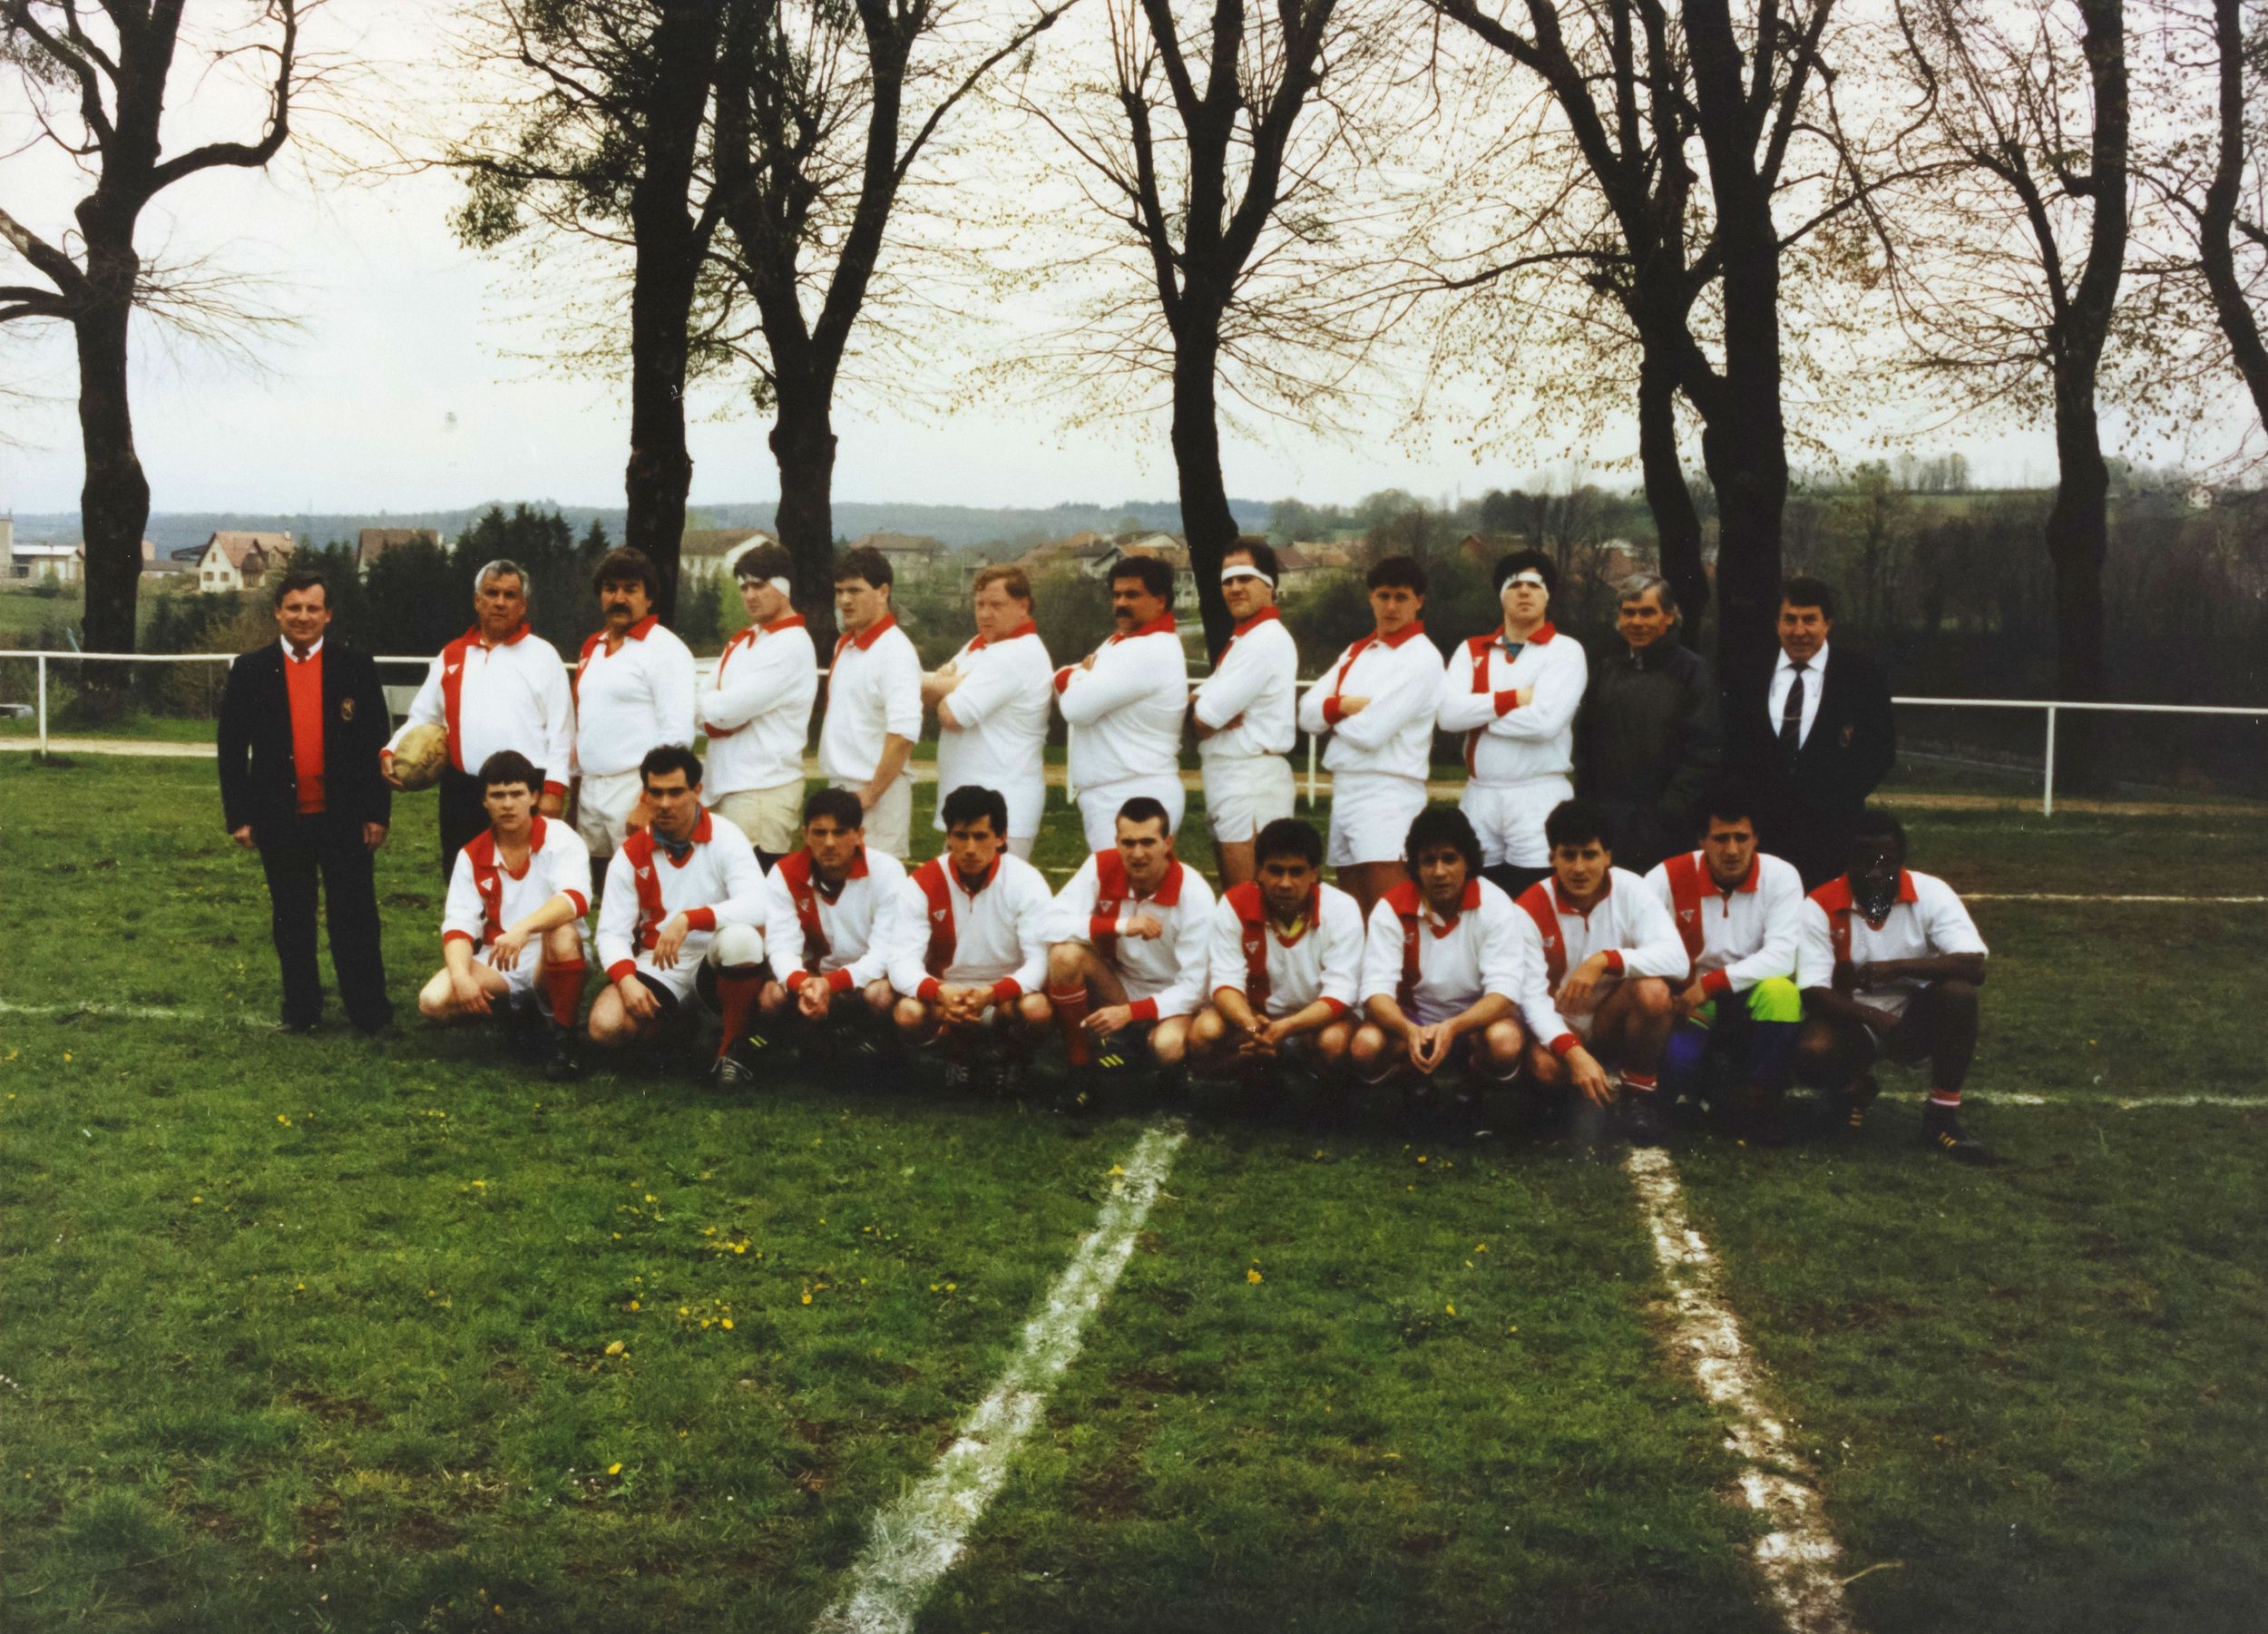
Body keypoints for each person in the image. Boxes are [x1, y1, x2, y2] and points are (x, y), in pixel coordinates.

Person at [217, 568, 395, 1035]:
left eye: (312, 608)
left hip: (345, 818)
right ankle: (302, 1009)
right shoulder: (251, 670)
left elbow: (379, 744)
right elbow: (231, 749)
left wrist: (378, 813)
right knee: (292, 919)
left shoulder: (355, 667)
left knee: (354, 917)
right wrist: (239, 815)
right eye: (293, 607)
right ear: (277, 612)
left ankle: (368, 1011)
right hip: (280, 818)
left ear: (328, 614)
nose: (302, 616)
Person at [1794, 807, 1993, 1162]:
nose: (1875, 873)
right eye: (1864, 862)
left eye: (1886, 863)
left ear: (1901, 859)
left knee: (1959, 995)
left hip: (1915, 1016)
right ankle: (1853, 1087)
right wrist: (1874, 1017)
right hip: (1853, 1020)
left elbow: (1974, 965)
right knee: (1812, 1050)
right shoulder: (1819, 904)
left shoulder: (1932, 893)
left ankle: (1941, 1117)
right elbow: (1813, 989)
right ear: (1846, 860)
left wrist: (1897, 968)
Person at [385, 557, 575, 883]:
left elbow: (562, 731)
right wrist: (391, 750)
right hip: (463, 791)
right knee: (464, 884)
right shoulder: (453, 654)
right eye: (491, 593)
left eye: (510, 595)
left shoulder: (543, 656)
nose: (500, 602)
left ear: (523, 605)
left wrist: (553, 792)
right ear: (477, 600)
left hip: (523, 792)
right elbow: (422, 716)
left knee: (523, 887)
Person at [1510, 798, 1688, 1145]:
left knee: (1653, 991)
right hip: (1562, 1021)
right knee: (1546, 1069)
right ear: (1552, 858)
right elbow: (1530, 998)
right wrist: (1573, 1052)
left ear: (1608, 856)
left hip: (1610, 1017)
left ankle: (1639, 1096)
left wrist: (1604, 960)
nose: (1579, 867)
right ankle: (1565, 1103)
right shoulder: (1528, 908)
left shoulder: (1632, 888)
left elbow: (1677, 961)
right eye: (1568, 855)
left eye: (1589, 855)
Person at [588, 746, 769, 1085]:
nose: (665, 803)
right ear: (645, 795)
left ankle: (730, 1051)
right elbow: (611, 932)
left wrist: (690, 918)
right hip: (659, 962)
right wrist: (626, 981)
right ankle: (679, 1028)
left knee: (742, 939)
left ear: (697, 792)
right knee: (605, 1026)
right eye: (656, 793)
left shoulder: (726, 836)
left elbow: (760, 904)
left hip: (716, 957)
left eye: (676, 792)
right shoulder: (630, 853)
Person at [1642, 779, 1804, 1142]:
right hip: (1689, 1003)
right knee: (1677, 1069)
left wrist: (1713, 984)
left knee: (1782, 992)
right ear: (1702, 840)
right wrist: (1675, 993)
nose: (1732, 850)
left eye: (1741, 837)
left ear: (1756, 838)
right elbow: (1637, 944)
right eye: (1720, 838)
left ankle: (1759, 1097)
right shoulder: (1666, 877)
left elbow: (1782, 955)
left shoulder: (1781, 876)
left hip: (1746, 996)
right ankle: (1697, 1089)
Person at [417, 750, 592, 1081]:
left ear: (535, 797)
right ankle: (517, 1018)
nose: (508, 804)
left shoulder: (560, 837)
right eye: (497, 795)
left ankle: (566, 1039)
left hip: (550, 952)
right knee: (433, 1001)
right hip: (502, 958)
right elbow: (458, 925)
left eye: (517, 794)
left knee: (563, 933)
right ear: (484, 801)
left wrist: (524, 928)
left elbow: (576, 899)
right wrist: (462, 978)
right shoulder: (472, 854)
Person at [1350, 805, 1530, 1127]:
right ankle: (1415, 1087)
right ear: (1415, 866)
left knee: (1505, 1042)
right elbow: (1375, 992)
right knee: (1365, 1047)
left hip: (1474, 1024)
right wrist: (1409, 1031)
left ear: (1468, 862)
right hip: (1413, 1023)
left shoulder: (1496, 905)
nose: (1439, 871)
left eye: (1449, 858)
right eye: (1428, 860)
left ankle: (1471, 1087)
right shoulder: (1391, 908)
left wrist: (1453, 1027)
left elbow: (1505, 993)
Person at [1297, 555, 1445, 918]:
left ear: (1419, 601)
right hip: (1346, 791)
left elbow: (1371, 732)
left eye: (1401, 597)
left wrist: (1332, 712)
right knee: (1352, 912)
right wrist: (1343, 705)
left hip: (1388, 794)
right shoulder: (1356, 651)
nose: (1391, 606)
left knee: (1389, 914)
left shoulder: (1422, 658)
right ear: (1371, 598)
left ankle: (1398, 978)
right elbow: (1305, 712)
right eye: (1383, 596)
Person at [1438, 549, 1589, 901]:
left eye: (1534, 585)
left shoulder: (1565, 651)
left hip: (1537, 796)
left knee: (1535, 898)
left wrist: (1477, 714)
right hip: (1480, 796)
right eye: (1515, 584)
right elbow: (1447, 716)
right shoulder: (1471, 649)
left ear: (1547, 595)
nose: (1524, 592)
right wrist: (1513, 699)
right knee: (1478, 899)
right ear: (1500, 594)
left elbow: (1545, 723)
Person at [884, 784, 1056, 1091]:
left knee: (1038, 1010)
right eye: (961, 836)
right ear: (948, 837)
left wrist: (994, 993)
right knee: (907, 1014)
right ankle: (958, 1056)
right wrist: (941, 993)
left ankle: (1010, 1057)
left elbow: (1041, 961)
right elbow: (900, 962)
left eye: (981, 836)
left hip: (1006, 998)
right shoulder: (923, 882)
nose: (970, 848)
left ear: (1001, 838)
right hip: (947, 996)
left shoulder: (1026, 881)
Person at [1727, 577, 1896, 889]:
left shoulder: (1860, 675)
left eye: (1810, 620)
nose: (1799, 631)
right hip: (1762, 832)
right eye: (1790, 619)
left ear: (1827, 623)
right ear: (1776, 623)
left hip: (1832, 832)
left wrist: (1838, 797)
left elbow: (1881, 749)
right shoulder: (1747, 673)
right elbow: (1732, 747)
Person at [1046, 796, 1217, 1101]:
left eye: (1148, 842)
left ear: (1168, 842)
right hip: (1120, 985)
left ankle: (1153, 1063)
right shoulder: (1101, 865)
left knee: (1168, 1047)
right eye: (1128, 842)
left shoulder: (1194, 893)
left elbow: (1194, 987)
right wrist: (1118, 925)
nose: (1137, 853)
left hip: (1174, 997)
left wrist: (1130, 1013)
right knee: (1064, 955)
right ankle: (1079, 1066)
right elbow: (1046, 924)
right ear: (1117, 841)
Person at [1187, 817, 1363, 1101]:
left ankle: (1323, 1093)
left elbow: (1341, 993)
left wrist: (1285, 1029)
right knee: (1204, 1033)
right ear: (1259, 872)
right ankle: (1262, 1076)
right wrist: (1254, 1028)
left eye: (1296, 872)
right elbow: (1224, 983)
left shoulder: (1341, 908)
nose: (1285, 883)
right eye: (1275, 871)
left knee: (1334, 1042)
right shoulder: (1234, 904)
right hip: (1257, 1020)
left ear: (1314, 874)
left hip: (1314, 1022)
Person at [571, 546, 697, 898]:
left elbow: (678, 736)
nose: (619, 598)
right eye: (611, 589)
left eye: (631, 589)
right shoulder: (592, 647)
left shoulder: (665, 649)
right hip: (592, 792)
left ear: (649, 596)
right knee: (596, 891)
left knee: (644, 892)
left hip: (634, 788)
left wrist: (648, 800)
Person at [1576, 572, 1719, 875]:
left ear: (1669, 617)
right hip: (1609, 825)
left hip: (1667, 830)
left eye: (1647, 613)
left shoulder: (1693, 672)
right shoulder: (1606, 671)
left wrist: (1669, 812)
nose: (1637, 622)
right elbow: (1585, 744)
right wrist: (1590, 808)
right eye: (1629, 613)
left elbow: (1704, 751)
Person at [1054, 553, 1189, 853]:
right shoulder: (1122, 641)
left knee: (1123, 893)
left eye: (1132, 595)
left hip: (1132, 793)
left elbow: (1075, 708)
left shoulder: (1147, 649)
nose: (1120, 603)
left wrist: (1075, 676)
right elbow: (1062, 683)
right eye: (1116, 595)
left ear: (1161, 600)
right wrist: (1078, 677)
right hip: (1118, 791)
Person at [756, 788, 905, 1052]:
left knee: (881, 995)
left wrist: (832, 985)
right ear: (805, 834)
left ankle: (881, 1046)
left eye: (840, 832)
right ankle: (794, 1047)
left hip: (867, 982)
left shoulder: (887, 870)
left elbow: (886, 953)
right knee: (770, 996)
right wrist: (804, 985)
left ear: (859, 835)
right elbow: (780, 946)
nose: (829, 843)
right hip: (813, 982)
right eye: (819, 832)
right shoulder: (784, 872)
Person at [699, 543, 819, 869]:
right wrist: (715, 710)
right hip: (728, 787)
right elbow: (705, 700)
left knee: (755, 900)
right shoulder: (745, 639)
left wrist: (715, 709)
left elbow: (724, 710)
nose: (750, 595)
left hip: (763, 791)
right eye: (744, 587)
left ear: (783, 587)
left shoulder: (791, 644)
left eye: (760, 585)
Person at [924, 564, 1054, 859]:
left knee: (993, 901)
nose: (984, 614)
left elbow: (951, 716)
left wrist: (948, 685)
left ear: (1023, 606)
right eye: (980, 604)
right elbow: (929, 693)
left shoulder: (1017, 652)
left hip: (1004, 807)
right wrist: (958, 685)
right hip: (965, 804)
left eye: (996, 605)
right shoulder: (979, 645)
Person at [1190, 541, 1299, 886]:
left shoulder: (1265, 639)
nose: (1234, 588)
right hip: (1229, 777)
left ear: (1269, 584)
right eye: (1227, 580)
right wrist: (1203, 703)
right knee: (1237, 905)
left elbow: (1204, 717)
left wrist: (1203, 705)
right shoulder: (1244, 639)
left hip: (1252, 781)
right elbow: (1204, 708)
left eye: (1245, 578)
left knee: (1249, 901)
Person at [820, 545, 924, 858]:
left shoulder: (895, 652)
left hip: (875, 797)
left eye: (855, 590)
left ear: (883, 592)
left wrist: (870, 794)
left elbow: (903, 735)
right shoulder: (847, 645)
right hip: (841, 789)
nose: (844, 600)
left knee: (876, 898)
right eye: (839, 591)